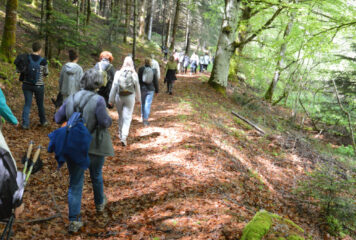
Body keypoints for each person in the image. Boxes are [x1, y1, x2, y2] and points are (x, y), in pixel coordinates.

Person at [54, 69, 113, 233]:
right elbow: (104, 122)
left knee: (75, 183)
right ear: (96, 83)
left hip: (74, 145)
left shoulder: (71, 98)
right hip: (95, 145)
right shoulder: (99, 100)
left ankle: (74, 220)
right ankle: (100, 204)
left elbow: (57, 118)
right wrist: (109, 120)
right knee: (96, 175)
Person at [108, 57, 141, 146]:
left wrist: (111, 100)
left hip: (119, 96)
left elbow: (114, 86)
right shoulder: (134, 74)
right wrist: (138, 99)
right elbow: (137, 87)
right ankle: (124, 137)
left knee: (121, 116)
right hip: (130, 97)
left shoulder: (118, 73)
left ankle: (120, 134)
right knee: (127, 117)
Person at [21, 42, 49, 129]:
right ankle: (43, 121)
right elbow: (46, 73)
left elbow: (20, 69)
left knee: (27, 104)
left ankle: (25, 124)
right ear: (40, 50)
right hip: (39, 86)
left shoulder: (26, 58)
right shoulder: (43, 61)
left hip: (26, 84)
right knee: (40, 104)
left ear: (32, 48)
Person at [138, 59, 159, 126]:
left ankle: (142, 116)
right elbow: (156, 81)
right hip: (151, 89)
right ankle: (146, 119)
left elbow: (138, 79)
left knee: (143, 103)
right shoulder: (154, 70)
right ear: (150, 63)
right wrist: (157, 90)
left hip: (142, 88)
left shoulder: (141, 69)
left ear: (144, 62)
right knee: (148, 104)